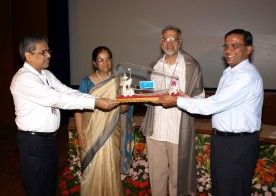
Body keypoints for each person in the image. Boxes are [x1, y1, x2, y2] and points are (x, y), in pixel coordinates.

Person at [156, 29, 263, 196]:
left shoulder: (246, 76)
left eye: (235, 46)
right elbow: (218, 103)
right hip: (225, 142)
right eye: (226, 46)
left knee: (233, 190)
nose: (228, 50)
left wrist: (176, 100)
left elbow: (211, 106)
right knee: (221, 189)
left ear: (248, 49)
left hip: (237, 145)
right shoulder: (230, 73)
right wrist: (188, 98)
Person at [10, 35, 118, 196]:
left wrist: (95, 99)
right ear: (28, 55)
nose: (49, 55)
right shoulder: (24, 79)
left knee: (49, 187)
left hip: (48, 140)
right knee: (37, 188)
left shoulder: (45, 74)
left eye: (48, 51)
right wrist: (96, 103)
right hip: (33, 142)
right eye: (43, 52)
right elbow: (58, 98)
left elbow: (67, 91)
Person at [141, 25, 205, 196]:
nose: (169, 43)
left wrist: (179, 100)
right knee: (156, 176)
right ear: (161, 42)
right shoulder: (154, 65)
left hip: (178, 131)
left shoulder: (191, 66)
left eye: (173, 39)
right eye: (166, 39)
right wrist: (141, 94)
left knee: (178, 178)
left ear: (180, 41)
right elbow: (147, 93)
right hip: (155, 130)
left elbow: (199, 99)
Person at [74, 46, 134, 196]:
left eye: (107, 59)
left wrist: (125, 97)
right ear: (94, 63)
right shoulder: (85, 82)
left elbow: (124, 110)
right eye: (100, 60)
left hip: (112, 132)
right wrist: (80, 134)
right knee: (92, 169)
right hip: (91, 133)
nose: (105, 63)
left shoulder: (119, 81)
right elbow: (78, 109)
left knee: (111, 167)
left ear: (111, 61)